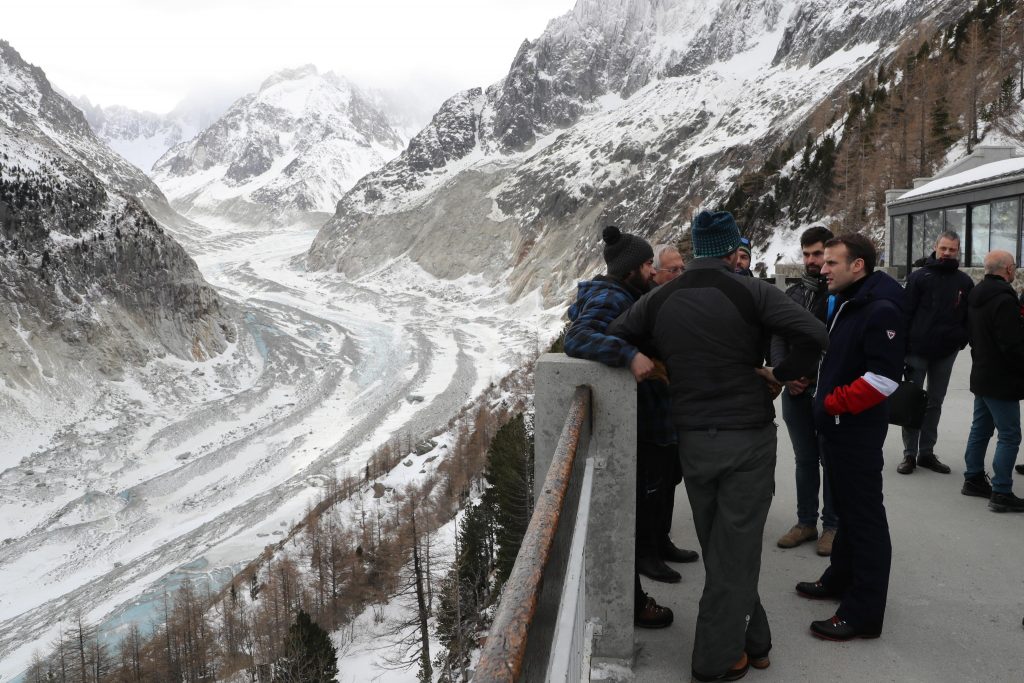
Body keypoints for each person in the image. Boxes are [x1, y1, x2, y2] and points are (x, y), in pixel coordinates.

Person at [610, 210, 827, 682]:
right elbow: (814, 333)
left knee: (723, 547)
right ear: (733, 251)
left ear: (693, 250)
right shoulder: (753, 291)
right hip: (747, 437)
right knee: (737, 549)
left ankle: (756, 641)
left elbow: (617, 334)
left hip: (692, 439)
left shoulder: (661, 297)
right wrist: (784, 375)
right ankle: (714, 659)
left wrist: (654, 360)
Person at [563, 225, 694, 629]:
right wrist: (629, 353)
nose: (653, 271)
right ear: (632, 268)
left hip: (655, 415)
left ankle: (655, 554)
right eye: (648, 265)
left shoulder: (624, 294)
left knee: (657, 492)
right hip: (642, 420)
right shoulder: (611, 296)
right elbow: (578, 338)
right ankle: (637, 594)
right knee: (641, 505)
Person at [795, 233, 904, 642]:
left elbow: (883, 379)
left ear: (857, 265)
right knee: (844, 507)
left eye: (831, 263)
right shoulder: (850, 301)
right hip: (837, 429)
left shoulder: (881, 309)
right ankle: (839, 577)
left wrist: (832, 404)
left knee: (865, 519)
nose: (823, 269)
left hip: (854, 431)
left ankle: (863, 613)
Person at [772, 225, 837, 556]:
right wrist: (786, 374)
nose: (813, 261)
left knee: (832, 459)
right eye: (808, 254)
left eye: (819, 254)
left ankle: (834, 526)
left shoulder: (843, 293)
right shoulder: (795, 293)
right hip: (795, 391)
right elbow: (778, 335)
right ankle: (806, 522)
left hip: (827, 392)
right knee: (805, 459)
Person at [897, 231, 974, 475]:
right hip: (917, 350)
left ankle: (926, 453)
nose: (947, 253)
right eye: (944, 248)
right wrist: (902, 346)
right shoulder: (919, 277)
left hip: (945, 352)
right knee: (912, 401)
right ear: (935, 247)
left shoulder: (964, 281)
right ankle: (909, 454)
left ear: (958, 251)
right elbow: (905, 312)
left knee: (935, 402)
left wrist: (960, 341)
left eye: (952, 249)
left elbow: (968, 317)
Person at [960, 250, 1024, 512]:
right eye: (1015, 267)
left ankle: (973, 478)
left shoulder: (976, 295)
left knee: (981, 428)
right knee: (1009, 435)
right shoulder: (1004, 300)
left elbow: (973, 336)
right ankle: (1001, 491)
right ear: (1008, 269)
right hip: (1002, 379)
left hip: (982, 373)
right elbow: (1012, 344)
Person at [648, 243, 698, 568]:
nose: (680, 274)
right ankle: (648, 554)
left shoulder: (683, 301)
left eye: (683, 268)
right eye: (673, 270)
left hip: (679, 412)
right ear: (655, 273)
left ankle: (662, 542)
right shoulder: (647, 304)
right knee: (653, 485)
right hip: (654, 414)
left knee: (670, 480)